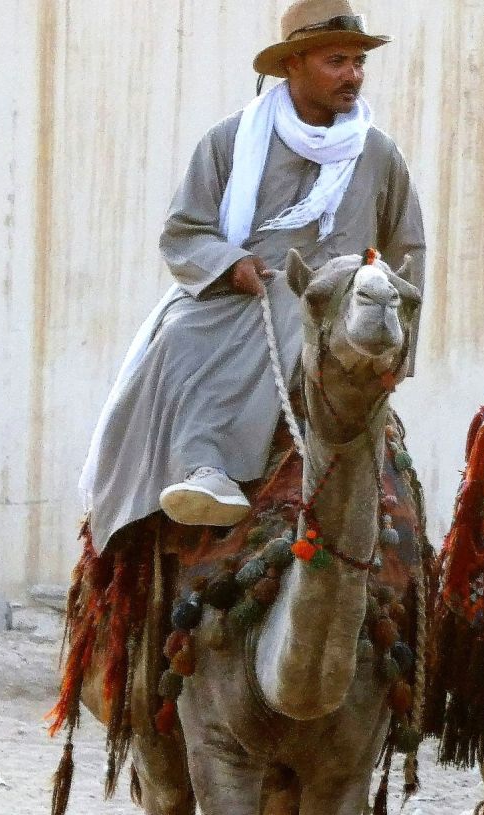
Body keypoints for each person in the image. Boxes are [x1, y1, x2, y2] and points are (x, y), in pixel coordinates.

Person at [79, 0, 426, 550]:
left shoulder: (379, 154)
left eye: (359, 62)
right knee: (176, 336)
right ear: (293, 65)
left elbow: (408, 253)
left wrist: (398, 349)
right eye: (337, 61)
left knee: (401, 522)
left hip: (340, 312)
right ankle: (204, 467)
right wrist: (230, 263)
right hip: (243, 295)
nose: (353, 75)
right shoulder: (229, 140)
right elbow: (184, 231)